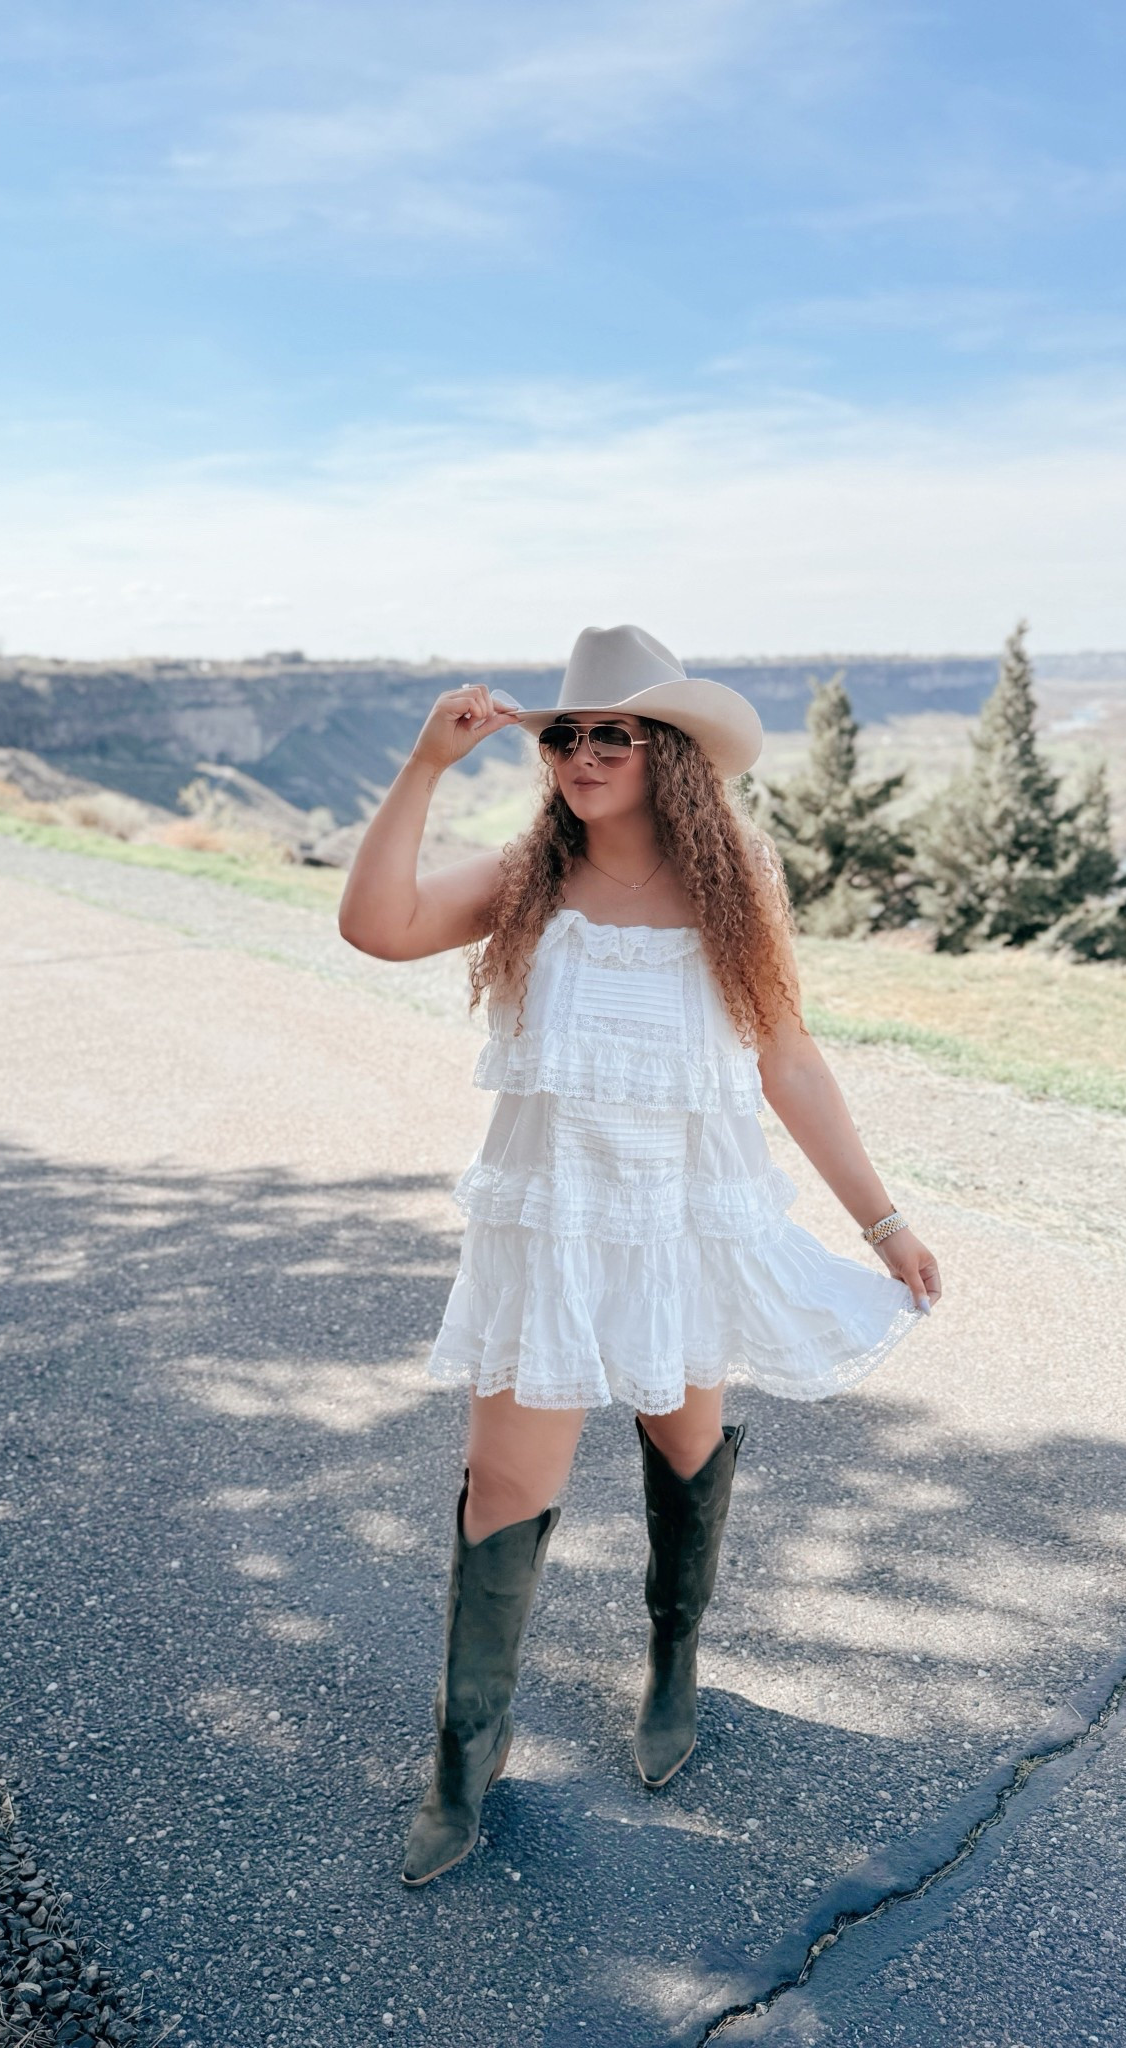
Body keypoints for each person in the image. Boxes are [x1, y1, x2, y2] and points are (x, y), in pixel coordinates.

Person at [337, 624, 943, 1887]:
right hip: (548, 1228)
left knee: (683, 1446)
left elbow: (787, 1059)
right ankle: (465, 1751)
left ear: (667, 751)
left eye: (612, 732)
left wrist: (881, 1218)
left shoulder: (738, 881)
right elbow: (377, 924)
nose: (582, 754)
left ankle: (673, 1651)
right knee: (502, 1488)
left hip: (680, 1229)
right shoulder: (525, 876)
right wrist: (423, 768)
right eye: (566, 733)